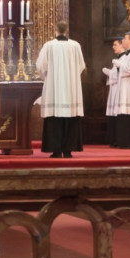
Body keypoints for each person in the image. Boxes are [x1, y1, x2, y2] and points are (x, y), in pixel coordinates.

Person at [37, 21, 86, 158]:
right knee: (71, 117)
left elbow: (41, 66)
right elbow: (81, 66)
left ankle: (56, 150)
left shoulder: (49, 46)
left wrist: (46, 78)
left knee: (54, 118)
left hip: (54, 89)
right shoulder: (75, 45)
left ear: (55, 30)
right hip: (71, 89)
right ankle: (68, 150)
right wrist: (72, 77)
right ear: (67, 30)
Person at [102, 37, 125, 147]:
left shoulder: (124, 58)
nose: (113, 47)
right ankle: (114, 139)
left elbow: (120, 74)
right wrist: (109, 72)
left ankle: (117, 140)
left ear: (121, 45)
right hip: (115, 89)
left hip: (120, 89)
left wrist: (109, 73)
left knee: (117, 114)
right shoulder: (119, 58)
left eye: (115, 45)